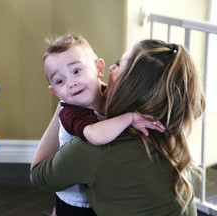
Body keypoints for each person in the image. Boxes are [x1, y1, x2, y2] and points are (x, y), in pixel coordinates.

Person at [31, 39, 205, 216]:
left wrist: (64, 104)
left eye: (118, 64)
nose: (111, 69)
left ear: (131, 85)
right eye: (60, 81)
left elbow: (38, 176)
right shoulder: (169, 130)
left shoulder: (97, 147)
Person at [42, 33, 165, 216]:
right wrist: (130, 118)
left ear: (99, 68)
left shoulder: (108, 93)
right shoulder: (72, 112)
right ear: (55, 92)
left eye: (76, 71)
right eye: (60, 81)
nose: (72, 83)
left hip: (100, 192)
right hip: (77, 200)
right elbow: (96, 136)